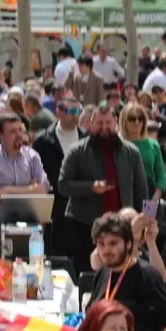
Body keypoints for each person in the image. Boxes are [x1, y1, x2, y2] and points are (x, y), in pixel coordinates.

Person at [59, 105, 148, 276]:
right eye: (100, 123)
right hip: (85, 227)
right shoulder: (76, 151)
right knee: (86, 276)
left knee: (123, 277)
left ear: (116, 123)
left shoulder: (131, 153)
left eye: (108, 122)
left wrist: (147, 219)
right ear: (91, 123)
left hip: (124, 228)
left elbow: (143, 191)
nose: (104, 127)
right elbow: (63, 184)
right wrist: (91, 187)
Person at [85, 213, 166, 331]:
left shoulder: (148, 274)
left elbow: (165, 315)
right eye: (101, 244)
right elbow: (92, 308)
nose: (106, 250)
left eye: (113, 243)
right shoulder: (103, 273)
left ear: (128, 244)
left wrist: (120, 306)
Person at [0, 113, 49, 254]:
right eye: (12, 131)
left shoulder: (33, 157)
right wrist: (30, 189)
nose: (19, 135)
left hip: (31, 233)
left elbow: (43, 189)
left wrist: (7, 190)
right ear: (0, 135)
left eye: (20, 130)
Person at [32, 98, 88, 256]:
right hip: (53, 209)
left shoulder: (87, 138)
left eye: (79, 111)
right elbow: (36, 173)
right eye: (72, 111)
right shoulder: (43, 140)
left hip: (80, 208)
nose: (76, 116)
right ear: (58, 112)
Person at [119, 103, 165, 200]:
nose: (136, 122)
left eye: (140, 118)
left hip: (151, 195)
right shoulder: (117, 145)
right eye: (132, 118)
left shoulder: (153, 144)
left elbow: (162, 176)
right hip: (124, 196)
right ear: (124, 122)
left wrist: (154, 200)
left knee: (148, 215)